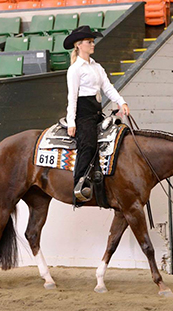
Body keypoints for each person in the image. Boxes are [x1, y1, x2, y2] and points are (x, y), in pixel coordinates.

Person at [63, 25, 130, 201]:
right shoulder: (75, 69)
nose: (93, 44)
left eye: (93, 41)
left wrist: (121, 101)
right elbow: (72, 96)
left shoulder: (96, 66)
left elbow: (108, 87)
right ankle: (79, 186)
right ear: (78, 45)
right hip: (83, 114)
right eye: (89, 42)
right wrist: (72, 121)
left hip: (96, 110)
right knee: (88, 145)